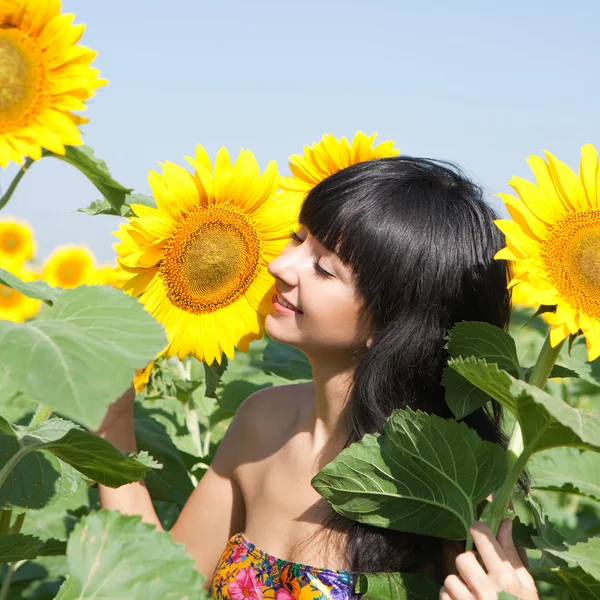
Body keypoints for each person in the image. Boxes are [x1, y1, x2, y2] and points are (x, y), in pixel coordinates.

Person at [94, 156, 539, 600]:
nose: (280, 267)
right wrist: (112, 429)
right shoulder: (263, 421)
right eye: (297, 239)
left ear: (392, 326)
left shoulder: (449, 482)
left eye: (325, 268)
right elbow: (162, 587)